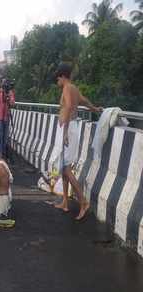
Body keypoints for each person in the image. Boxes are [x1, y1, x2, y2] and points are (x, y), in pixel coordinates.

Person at [53, 63, 102, 220]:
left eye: (57, 78)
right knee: (63, 167)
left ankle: (83, 202)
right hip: (70, 128)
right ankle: (66, 203)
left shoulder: (67, 88)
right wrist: (94, 109)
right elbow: (84, 101)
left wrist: (65, 132)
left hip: (69, 129)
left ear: (62, 76)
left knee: (66, 168)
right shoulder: (73, 88)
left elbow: (67, 108)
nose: (57, 82)